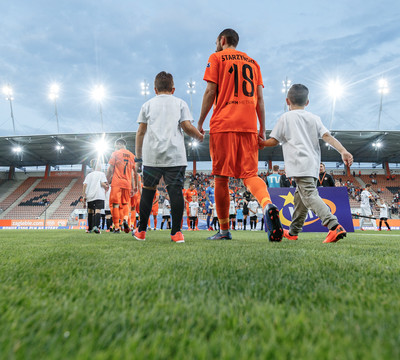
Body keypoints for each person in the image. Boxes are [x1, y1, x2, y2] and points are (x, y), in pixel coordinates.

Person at [197, 28, 283, 242]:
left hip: (223, 124)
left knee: (221, 177)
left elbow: (210, 91)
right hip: (248, 125)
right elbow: (260, 100)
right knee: (250, 175)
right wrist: (261, 129)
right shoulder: (253, 63)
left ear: (222, 40)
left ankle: (225, 231)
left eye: (217, 40)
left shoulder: (216, 57)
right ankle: (267, 204)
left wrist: (199, 121)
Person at [261, 83, 353, 243]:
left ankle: (334, 226)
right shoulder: (314, 118)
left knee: (309, 194)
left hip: (298, 164)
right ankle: (293, 232)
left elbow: (274, 141)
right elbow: (327, 137)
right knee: (300, 198)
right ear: (307, 102)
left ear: (287, 101)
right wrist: (343, 151)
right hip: (312, 165)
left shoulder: (285, 117)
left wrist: (260, 143)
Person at [132, 71, 204, 242]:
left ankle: (141, 231)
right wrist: (199, 136)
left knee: (148, 193)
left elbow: (140, 132)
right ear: (173, 89)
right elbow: (187, 127)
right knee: (176, 193)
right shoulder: (180, 103)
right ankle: (176, 233)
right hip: (175, 156)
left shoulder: (147, 105)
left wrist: (138, 158)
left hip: (152, 157)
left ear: (155, 89)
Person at [107, 138, 138, 233]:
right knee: (125, 204)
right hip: (127, 183)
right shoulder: (133, 156)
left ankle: (117, 227)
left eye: (116, 145)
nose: (115, 147)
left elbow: (110, 169)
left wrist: (107, 180)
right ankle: (125, 219)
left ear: (119, 144)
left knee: (115, 204)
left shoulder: (115, 153)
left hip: (117, 182)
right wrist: (135, 186)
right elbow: (135, 173)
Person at [83, 159, 109, 233]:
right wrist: (106, 186)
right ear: (98, 165)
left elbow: (84, 185)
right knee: (98, 210)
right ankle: (96, 227)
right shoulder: (101, 174)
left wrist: (84, 196)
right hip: (99, 194)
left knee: (90, 211)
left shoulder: (89, 175)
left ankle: (89, 229)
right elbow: (104, 184)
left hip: (90, 195)